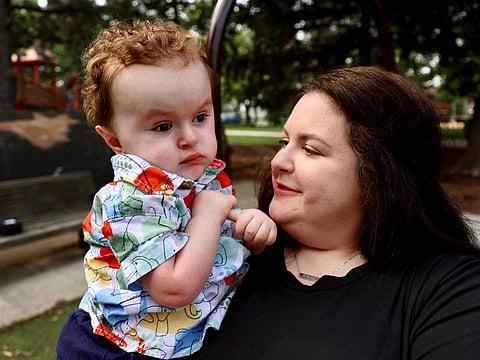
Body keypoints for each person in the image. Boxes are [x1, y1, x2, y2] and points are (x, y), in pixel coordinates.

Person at [190, 66, 480, 359]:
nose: (278, 161)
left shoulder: (449, 289)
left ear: (378, 173)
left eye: (310, 149)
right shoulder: (228, 252)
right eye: (284, 142)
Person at [56, 19, 276, 359]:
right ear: (115, 140)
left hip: (176, 340)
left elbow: (211, 246)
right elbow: (174, 288)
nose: (190, 137)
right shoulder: (127, 201)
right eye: (163, 126)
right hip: (117, 348)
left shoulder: (195, 177)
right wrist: (207, 215)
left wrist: (247, 232)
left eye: (201, 117)